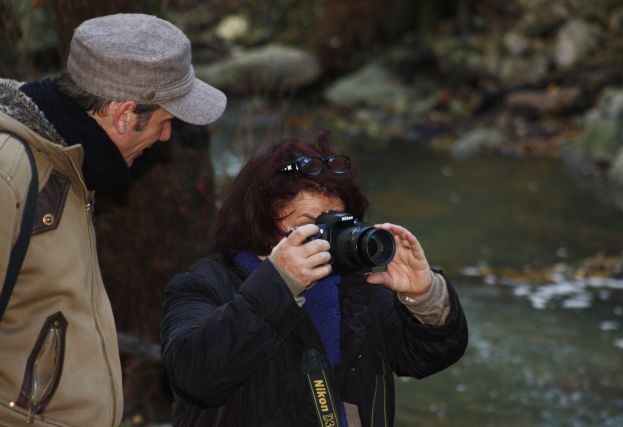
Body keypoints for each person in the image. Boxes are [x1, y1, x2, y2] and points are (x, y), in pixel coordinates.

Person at [0, 13, 226, 426]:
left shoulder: (69, 165)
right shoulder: (11, 172)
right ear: (124, 114)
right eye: (164, 121)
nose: (165, 137)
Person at [160, 134, 468, 426]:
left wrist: (424, 296)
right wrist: (279, 285)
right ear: (261, 220)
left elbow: (424, 359)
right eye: (312, 225)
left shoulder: (359, 286)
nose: (329, 237)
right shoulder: (203, 284)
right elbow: (194, 377)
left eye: (338, 222)